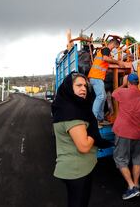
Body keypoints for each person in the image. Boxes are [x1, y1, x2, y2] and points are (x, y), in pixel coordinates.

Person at [51, 72, 112, 207]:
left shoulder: (66, 107)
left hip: (80, 168)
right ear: (68, 87)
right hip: (76, 170)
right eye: (78, 85)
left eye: (85, 86)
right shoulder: (71, 113)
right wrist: (93, 132)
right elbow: (84, 146)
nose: (84, 89)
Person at [112, 73, 140, 200]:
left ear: (128, 82)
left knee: (120, 159)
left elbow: (113, 93)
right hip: (138, 133)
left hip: (123, 131)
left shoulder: (123, 92)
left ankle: (131, 187)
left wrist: (123, 84)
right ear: (137, 83)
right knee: (137, 160)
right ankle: (137, 184)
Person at [88, 39, 125, 124]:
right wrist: (118, 62)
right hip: (96, 77)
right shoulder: (106, 49)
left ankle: (100, 118)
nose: (114, 49)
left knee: (103, 97)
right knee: (101, 96)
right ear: (113, 44)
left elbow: (105, 61)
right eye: (116, 47)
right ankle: (93, 119)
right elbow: (105, 58)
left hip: (97, 77)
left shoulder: (106, 52)